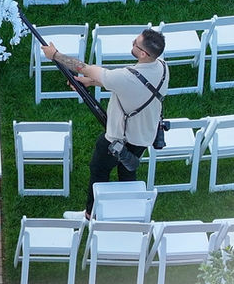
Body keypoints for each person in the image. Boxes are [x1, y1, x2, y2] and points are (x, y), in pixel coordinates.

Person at [41, 28, 168, 219]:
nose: (132, 43)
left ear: (143, 54)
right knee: (127, 171)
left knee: (99, 171)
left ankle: (90, 215)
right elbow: (125, 84)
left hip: (117, 139)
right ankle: (128, 213)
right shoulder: (163, 67)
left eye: (135, 43)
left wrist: (55, 55)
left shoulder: (127, 77)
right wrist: (91, 83)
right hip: (144, 136)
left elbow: (83, 67)